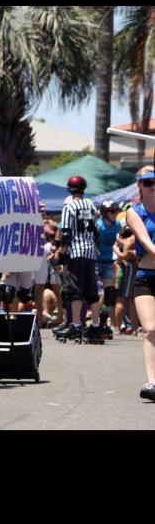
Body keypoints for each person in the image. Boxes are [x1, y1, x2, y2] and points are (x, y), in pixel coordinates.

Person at [54, 176, 103, 343]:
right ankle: (95, 326)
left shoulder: (69, 206)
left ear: (69, 189)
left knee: (74, 289)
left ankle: (76, 325)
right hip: (90, 253)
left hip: (76, 252)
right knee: (92, 291)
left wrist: (61, 255)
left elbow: (66, 234)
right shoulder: (90, 206)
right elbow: (96, 232)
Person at [125, 166, 155, 401]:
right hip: (146, 276)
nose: (152, 186)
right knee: (151, 329)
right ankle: (152, 382)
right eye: (147, 183)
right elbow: (144, 241)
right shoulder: (134, 211)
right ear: (140, 187)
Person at [95, 200, 122, 336]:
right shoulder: (98, 225)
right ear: (105, 213)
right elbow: (90, 240)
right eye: (113, 211)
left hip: (108, 262)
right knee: (94, 294)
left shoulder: (117, 225)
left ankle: (103, 322)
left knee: (110, 294)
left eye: (117, 211)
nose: (116, 213)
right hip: (95, 262)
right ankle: (88, 321)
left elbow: (123, 236)